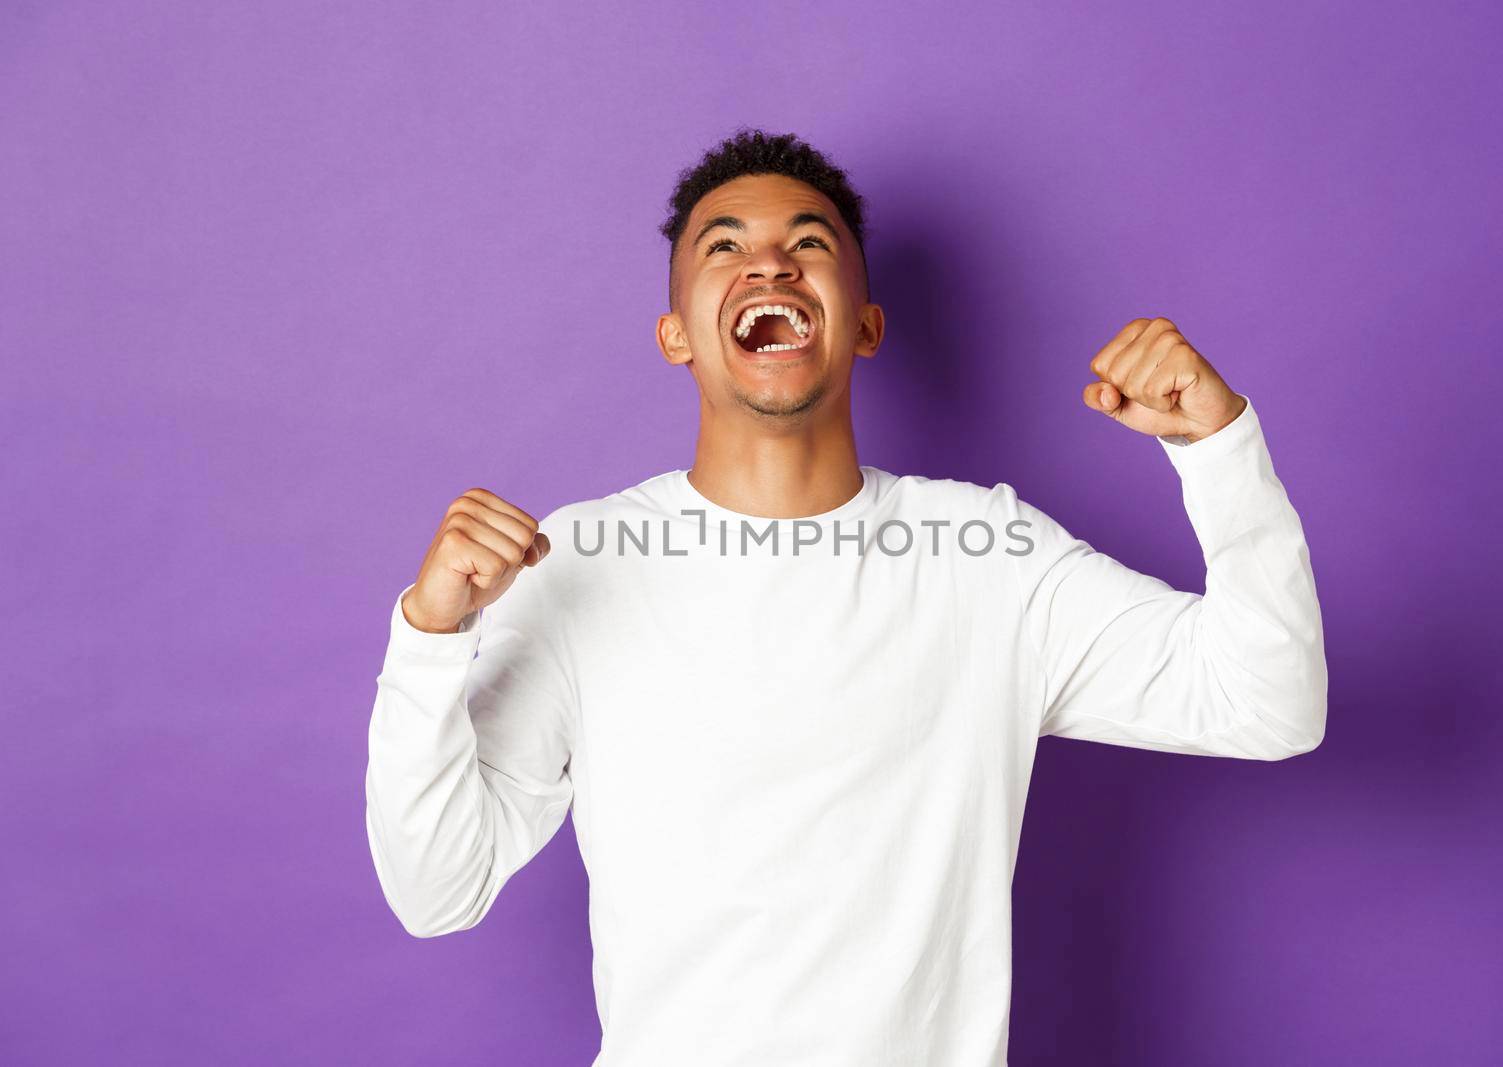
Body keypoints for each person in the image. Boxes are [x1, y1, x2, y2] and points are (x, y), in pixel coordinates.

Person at [364, 127, 1327, 1067]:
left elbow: (1266, 702)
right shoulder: (576, 559)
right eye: (726, 246)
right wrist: (430, 634)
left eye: (809, 244)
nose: (771, 267)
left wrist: (1219, 449)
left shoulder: (991, 556)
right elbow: (436, 888)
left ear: (866, 324)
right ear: (675, 336)